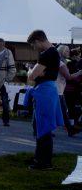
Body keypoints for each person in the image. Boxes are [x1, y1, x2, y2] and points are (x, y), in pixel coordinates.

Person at [26, 30, 64, 170]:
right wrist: (36, 72)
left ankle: (44, 162)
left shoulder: (48, 54)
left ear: (38, 41)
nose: (34, 48)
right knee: (40, 126)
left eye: (33, 45)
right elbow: (37, 74)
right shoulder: (53, 52)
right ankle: (40, 158)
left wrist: (32, 71)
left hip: (45, 92)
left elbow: (32, 76)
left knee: (43, 127)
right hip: (46, 91)